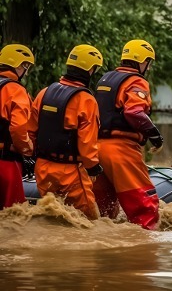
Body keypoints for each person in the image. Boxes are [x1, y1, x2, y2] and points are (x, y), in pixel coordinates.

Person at [92, 39, 163, 230]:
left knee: (104, 210)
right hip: (121, 150)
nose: (148, 67)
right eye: (148, 62)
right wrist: (154, 135)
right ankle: (145, 251)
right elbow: (134, 112)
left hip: (95, 150)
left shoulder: (105, 79)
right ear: (142, 61)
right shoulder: (136, 81)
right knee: (144, 205)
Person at [28, 44, 104, 220]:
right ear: (90, 70)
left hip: (42, 168)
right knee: (89, 220)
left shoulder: (44, 93)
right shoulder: (86, 100)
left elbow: (30, 131)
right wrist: (93, 168)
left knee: (52, 217)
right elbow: (87, 143)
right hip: (70, 171)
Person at [0, 44, 35, 210]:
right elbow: (18, 129)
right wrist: (28, 150)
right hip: (5, 162)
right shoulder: (15, 90)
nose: (26, 71)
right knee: (15, 216)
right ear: (18, 65)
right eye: (25, 66)